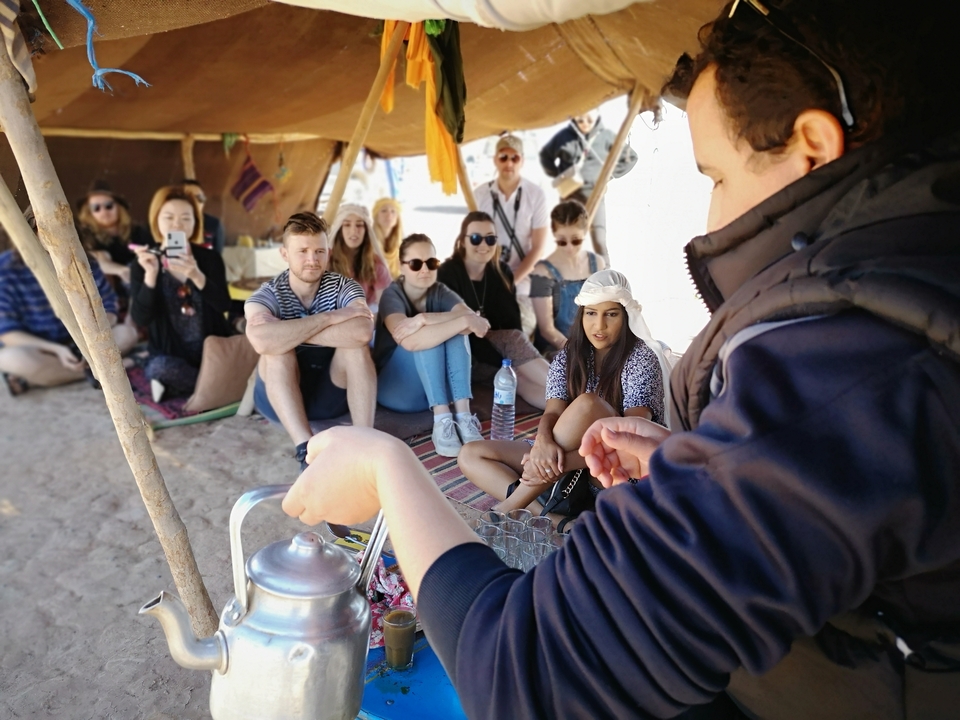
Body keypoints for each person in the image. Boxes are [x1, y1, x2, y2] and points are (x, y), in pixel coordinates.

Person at [281, 0, 960, 717]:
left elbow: (529, 675)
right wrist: (702, 464)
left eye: (717, 176)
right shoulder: (905, 301)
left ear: (812, 148)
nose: (710, 218)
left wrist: (390, 473)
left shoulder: (851, 357)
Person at [457, 270, 668, 512]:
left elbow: (631, 437)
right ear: (581, 315)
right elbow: (553, 412)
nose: (599, 325)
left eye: (611, 314)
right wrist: (542, 446)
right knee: (470, 454)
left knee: (589, 404)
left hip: (613, 472)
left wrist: (557, 463)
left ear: (626, 316)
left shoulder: (642, 358)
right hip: (564, 464)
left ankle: (505, 511)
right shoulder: (570, 354)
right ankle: (551, 519)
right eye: (591, 313)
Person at [245, 211, 376, 468]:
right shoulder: (266, 295)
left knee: (356, 348)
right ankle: (306, 449)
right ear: (285, 254)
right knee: (277, 351)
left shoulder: (345, 287)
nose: (312, 260)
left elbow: (362, 331)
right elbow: (262, 342)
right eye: (302, 251)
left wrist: (286, 331)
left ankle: (365, 441)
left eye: (319, 251)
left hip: (330, 394)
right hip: (277, 399)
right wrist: (331, 317)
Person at [374, 234, 489, 457]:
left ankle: (463, 417)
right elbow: (408, 339)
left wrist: (424, 317)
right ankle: (441, 419)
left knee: (456, 330)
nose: (424, 270)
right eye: (416, 264)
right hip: (397, 390)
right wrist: (459, 320)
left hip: (436, 388)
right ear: (402, 267)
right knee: (433, 333)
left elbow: (476, 325)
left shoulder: (440, 291)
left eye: (431, 263)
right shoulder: (392, 295)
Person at [1, 208, 137, 394]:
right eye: (45, 232)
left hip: (88, 342)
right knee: (10, 358)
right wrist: (56, 349)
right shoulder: (6, 268)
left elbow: (110, 307)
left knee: (127, 334)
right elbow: (7, 332)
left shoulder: (85, 261)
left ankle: (47, 378)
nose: (54, 239)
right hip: (42, 348)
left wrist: (92, 338)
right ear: (29, 233)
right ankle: (105, 371)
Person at [437, 211, 550, 410]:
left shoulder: (501, 272)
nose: (483, 245)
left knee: (518, 380)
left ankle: (577, 412)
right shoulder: (447, 274)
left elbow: (512, 320)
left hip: (499, 352)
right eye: (475, 238)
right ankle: (576, 395)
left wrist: (508, 360)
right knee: (514, 356)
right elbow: (449, 327)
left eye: (490, 239)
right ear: (462, 241)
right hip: (465, 354)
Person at [130, 186, 232, 402]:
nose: (177, 224)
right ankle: (215, 384)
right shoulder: (143, 263)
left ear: (195, 223)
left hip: (211, 351)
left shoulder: (210, 258)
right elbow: (141, 318)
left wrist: (197, 276)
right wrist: (151, 275)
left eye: (186, 218)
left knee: (247, 354)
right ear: (156, 219)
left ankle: (202, 385)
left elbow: (224, 305)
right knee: (161, 367)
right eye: (169, 217)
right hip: (171, 355)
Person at [473, 134, 550, 336]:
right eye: (503, 157)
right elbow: (472, 244)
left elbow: (538, 247)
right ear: (495, 160)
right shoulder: (480, 194)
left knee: (520, 327)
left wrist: (510, 282)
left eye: (514, 158)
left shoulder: (535, 195)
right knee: (480, 331)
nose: (509, 163)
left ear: (522, 161)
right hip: (486, 278)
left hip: (521, 280)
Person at [539, 109, 638, 263]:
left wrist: (608, 176)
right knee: (566, 238)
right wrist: (559, 175)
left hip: (595, 194)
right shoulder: (564, 136)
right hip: (569, 195)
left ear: (595, 118)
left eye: (588, 120)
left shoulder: (606, 137)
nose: (584, 124)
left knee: (599, 240)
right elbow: (545, 155)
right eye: (581, 120)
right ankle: (563, 277)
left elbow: (631, 157)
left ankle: (605, 280)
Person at [529, 199, 606, 352]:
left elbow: (603, 311)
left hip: (591, 343)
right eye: (562, 241)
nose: (569, 248)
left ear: (585, 233)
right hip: (556, 349)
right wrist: (575, 353)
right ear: (554, 235)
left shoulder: (597, 263)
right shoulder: (542, 271)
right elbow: (547, 330)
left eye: (576, 240)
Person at [76, 183, 150, 289]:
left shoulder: (138, 231)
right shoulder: (87, 236)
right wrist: (122, 270)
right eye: (96, 208)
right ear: (89, 212)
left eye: (108, 205)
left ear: (119, 207)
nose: (104, 211)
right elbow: (93, 259)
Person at [328, 203, 392, 311]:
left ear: (366, 230)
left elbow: (385, 308)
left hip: (366, 314)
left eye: (359, 225)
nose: (353, 231)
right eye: (347, 225)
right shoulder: (326, 259)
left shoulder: (375, 264)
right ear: (339, 230)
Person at [182, 179, 226, 254]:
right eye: (190, 197)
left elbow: (217, 257)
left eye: (199, 198)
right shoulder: (168, 223)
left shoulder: (213, 224)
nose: (195, 202)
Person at [371, 197, 403, 278]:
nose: (389, 215)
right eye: (384, 211)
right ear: (376, 216)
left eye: (393, 211)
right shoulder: (368, 243)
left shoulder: (403, 246)